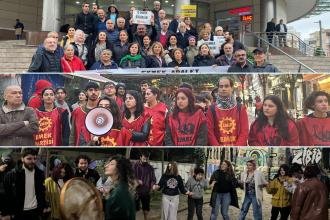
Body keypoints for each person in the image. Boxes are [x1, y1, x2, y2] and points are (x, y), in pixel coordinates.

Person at [2, 148, 46, 220]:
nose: (33, 161)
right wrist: (6, 213)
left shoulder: (40, 174)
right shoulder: (12, 175)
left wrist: (43, 207)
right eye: (29, 159)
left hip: (35, 212)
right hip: (18, 213)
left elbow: (42, 192)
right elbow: (6, 195)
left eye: (35, 158)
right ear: (22, 159)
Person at [207, 77, 249, 146]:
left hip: (238, 151)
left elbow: (244, 131)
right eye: (221, 86)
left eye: (226, 86)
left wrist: (236, 149)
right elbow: (209, 132)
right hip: (218, 151)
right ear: (218, 89)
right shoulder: (211, 109)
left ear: (232, 88)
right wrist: (218, 149)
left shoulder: (241, 108)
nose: (223, 89)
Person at [104, 156, 136, 220]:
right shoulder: (122, 188)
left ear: (119, 168)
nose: (106, 166)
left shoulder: (118, 192)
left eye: (111, 164)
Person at [133, 152, 156, 220]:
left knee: (146, 209)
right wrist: (137, 181)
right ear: (140, 157)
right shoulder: (134, 165)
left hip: (146, 192)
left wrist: (152, 186)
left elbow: (153, 179)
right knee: (134, 209)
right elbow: (130, 177)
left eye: (147, 158)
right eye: (144, 158)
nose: (145, 159)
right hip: (135, 191)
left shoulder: (150, 168)